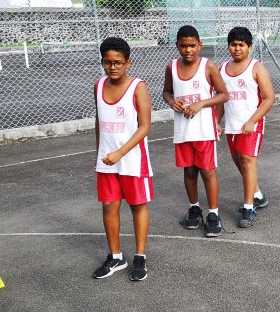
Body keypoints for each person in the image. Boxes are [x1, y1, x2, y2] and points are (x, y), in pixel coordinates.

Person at [93, 37, 153, 282]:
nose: (113, 67)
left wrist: (120, 152)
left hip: (132, 159)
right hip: (107, 160)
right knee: (109, 207)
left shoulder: (138, 87)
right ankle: (116, 256)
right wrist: (100, 151)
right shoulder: (98, 85)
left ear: (127, 63)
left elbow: (145, 126)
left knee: (137, 206)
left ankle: (140, 257)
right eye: (107, 62)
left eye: (118, 62)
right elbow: (99, 120)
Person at [163, 25, 229, 237]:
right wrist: (172, 101)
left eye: (192, 45)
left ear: (199, 45)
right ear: (177, 46)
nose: (188, 50)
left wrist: (201, 104)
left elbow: (223, 95)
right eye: (183, 46)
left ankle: (213, 213)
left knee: (207, 172)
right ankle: (194, 208)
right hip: (183, 131)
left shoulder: (208, 67)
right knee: (189, 171)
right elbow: (166, 92)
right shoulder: (171, 67)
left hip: (203, 131)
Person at [215, 26, 275, 228]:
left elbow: (268, 99)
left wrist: (252, 121)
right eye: (233, 44)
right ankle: (257, 194)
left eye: (241, 45)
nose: (237, 48)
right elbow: (222, 100)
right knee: (239, 162)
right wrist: (216, 122)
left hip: (251, 125)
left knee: (248, 161)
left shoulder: (256, 68)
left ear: (249, 47)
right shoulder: (222, 69)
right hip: (232, 126)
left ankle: (249, 207)